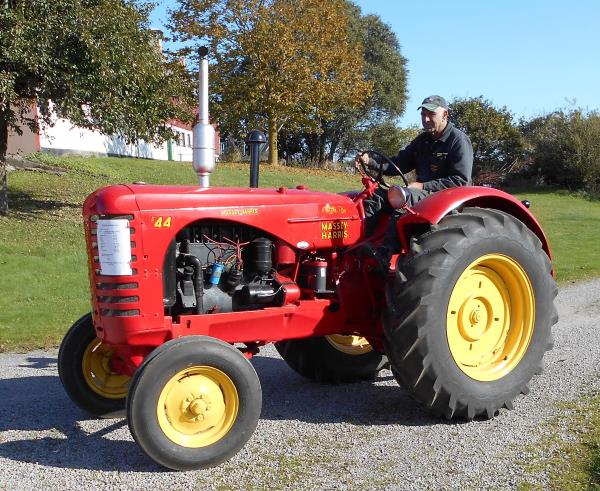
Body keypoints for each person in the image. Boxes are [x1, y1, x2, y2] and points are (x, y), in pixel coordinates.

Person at [355, 95, 474, 265]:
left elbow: (460, 181)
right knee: (377, 197)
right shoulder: (422, 141)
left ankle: (384, 254)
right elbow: (398, 164)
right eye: (423, 114)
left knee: (403, 200)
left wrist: (423, 185)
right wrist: (370, 161)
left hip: (445, 198)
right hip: (421, 193)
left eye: (431, 115)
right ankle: (358, 243)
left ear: (445, 114)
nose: (425, 119)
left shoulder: (458, 141)